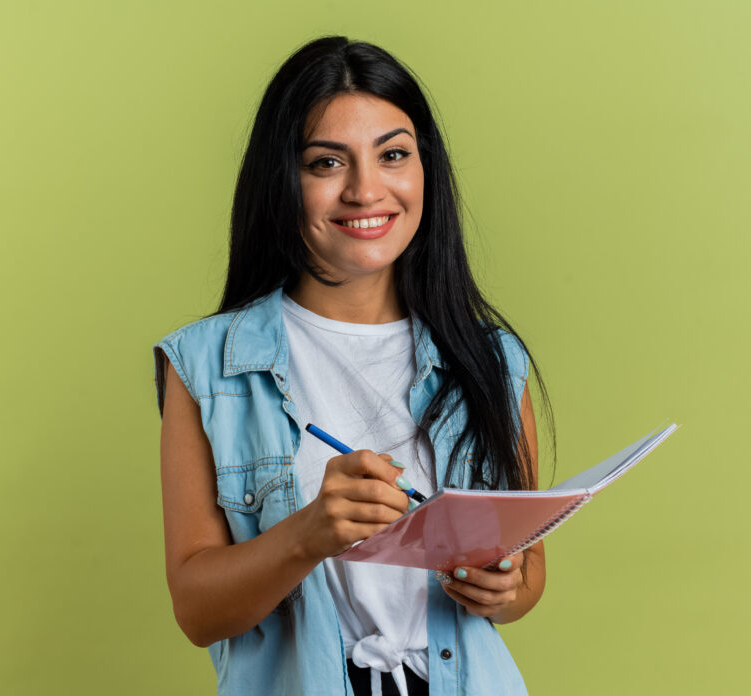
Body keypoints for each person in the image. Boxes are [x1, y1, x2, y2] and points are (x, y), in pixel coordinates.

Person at [153, 35, 554, 696]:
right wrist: (308, 534)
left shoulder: (490, 360)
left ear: (425, 168)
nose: (367, 190)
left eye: (393, 154)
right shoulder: (207, 365)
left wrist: (503, 587)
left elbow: (528, 577)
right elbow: (197, 612)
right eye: (326, 163)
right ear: (283, 179)